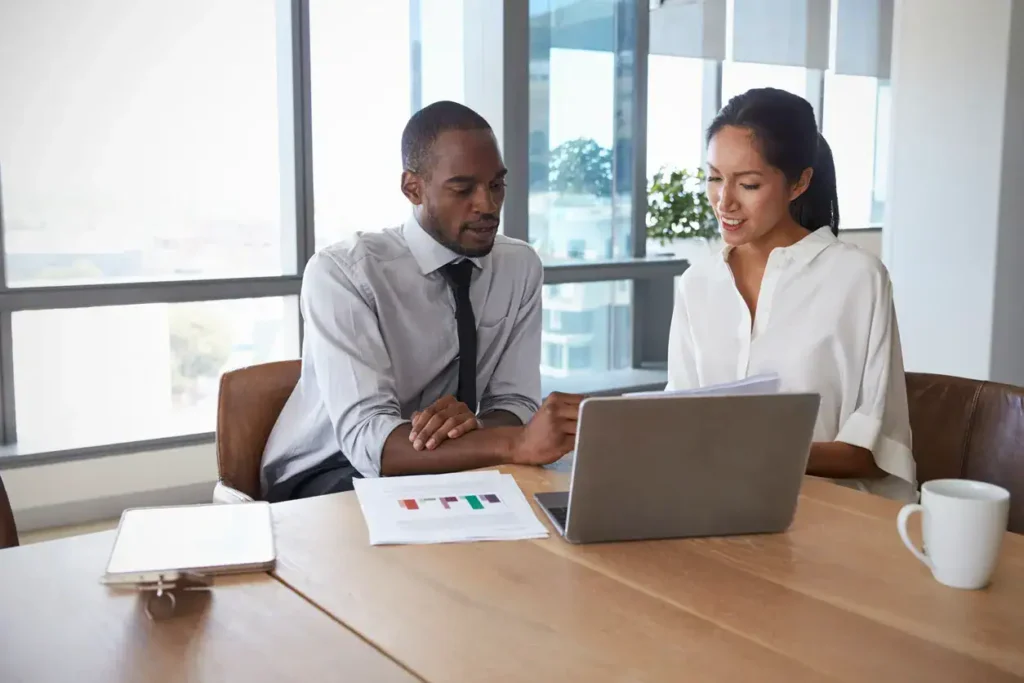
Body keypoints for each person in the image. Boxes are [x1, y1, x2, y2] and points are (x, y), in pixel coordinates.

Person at [261, 101, 581, 502]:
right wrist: (513, 443)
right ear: (413, 188)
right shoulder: (343, 273)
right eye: (463, 189)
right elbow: (367, 441)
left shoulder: (518, 267)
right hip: (329, 473)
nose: (487, 205)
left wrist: (477, 428)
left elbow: (513, 402)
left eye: (497, 185)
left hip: (447, 465)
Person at [666, 87, 916, 501]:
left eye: (747, 184)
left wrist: (758, 455)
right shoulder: (699, 282)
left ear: (799, 182)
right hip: (712, 505)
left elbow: (876, 451)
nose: (723, 201)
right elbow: (678, 417)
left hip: (829, 517)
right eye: (713, 178)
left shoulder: (857, 278)